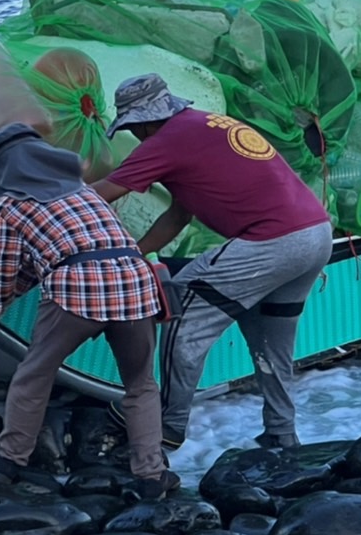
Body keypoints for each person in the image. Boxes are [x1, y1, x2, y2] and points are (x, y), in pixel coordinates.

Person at [91, 73, 334, 451]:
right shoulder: (204, 126)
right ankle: (282, 433)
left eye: (134, 129)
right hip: (316, 235)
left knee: (182, 310)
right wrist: (136, 253)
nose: (136, 136)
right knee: (272, 343)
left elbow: (101, 194)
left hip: (272, 240)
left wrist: (44, 209)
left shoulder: (165, 141)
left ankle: (168, 424)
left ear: (146, 120)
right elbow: (178, 216)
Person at [0, 123, 177, 497]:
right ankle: (152, 476)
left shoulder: (10, 208)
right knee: (140, 384)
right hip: (136, 284)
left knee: (34, 374)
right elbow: (44, 263)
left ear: (2, 171)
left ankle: (8, 465)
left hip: (78, 291)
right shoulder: (86, 194)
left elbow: (2, 272)